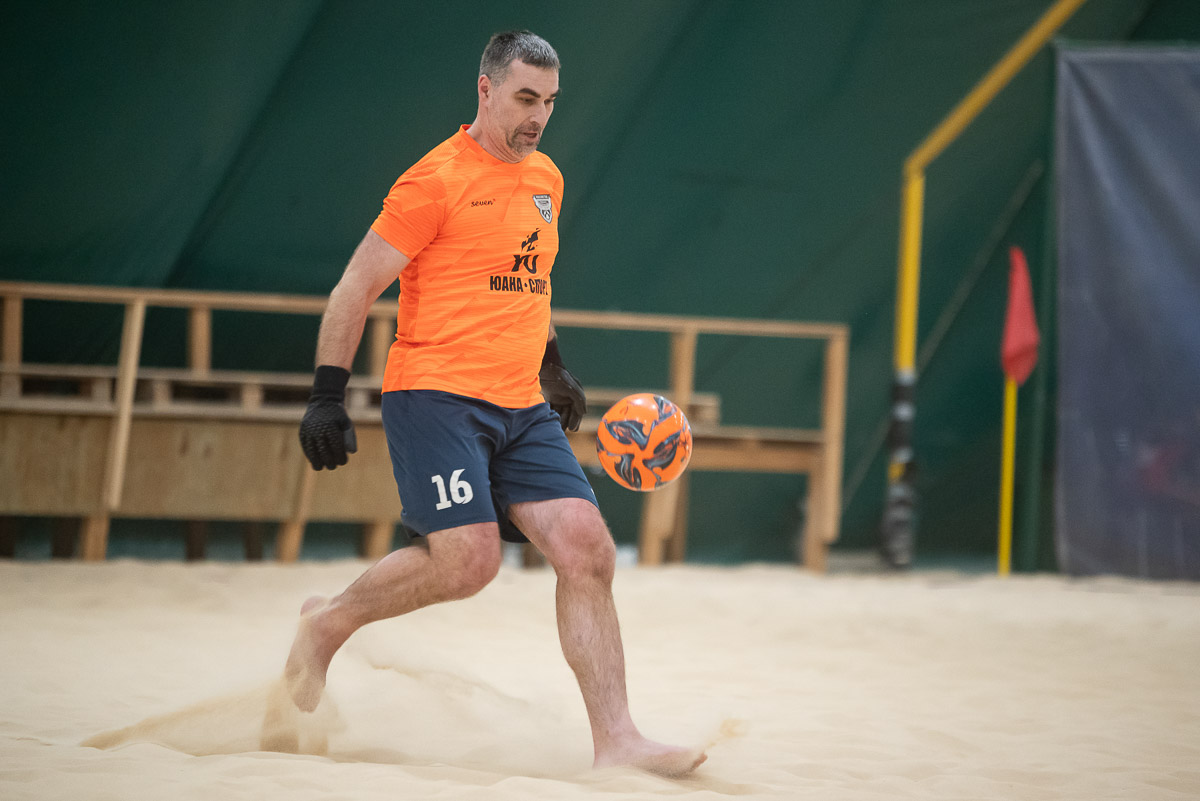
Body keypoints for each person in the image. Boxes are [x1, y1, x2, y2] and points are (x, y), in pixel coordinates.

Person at [284, 30, 706, 777]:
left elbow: (526, 280)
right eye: (524, 98)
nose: (538, 116)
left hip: (518, 402)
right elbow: (354, 288)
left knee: (588, 549)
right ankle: (328, 624)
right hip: (436, 396)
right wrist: (326, 394)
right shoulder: (433, 181)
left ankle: (617, 740)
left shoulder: (547, 179)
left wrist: (554, 365)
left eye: (550, 102)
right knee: (469, 562)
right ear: (485, 90)